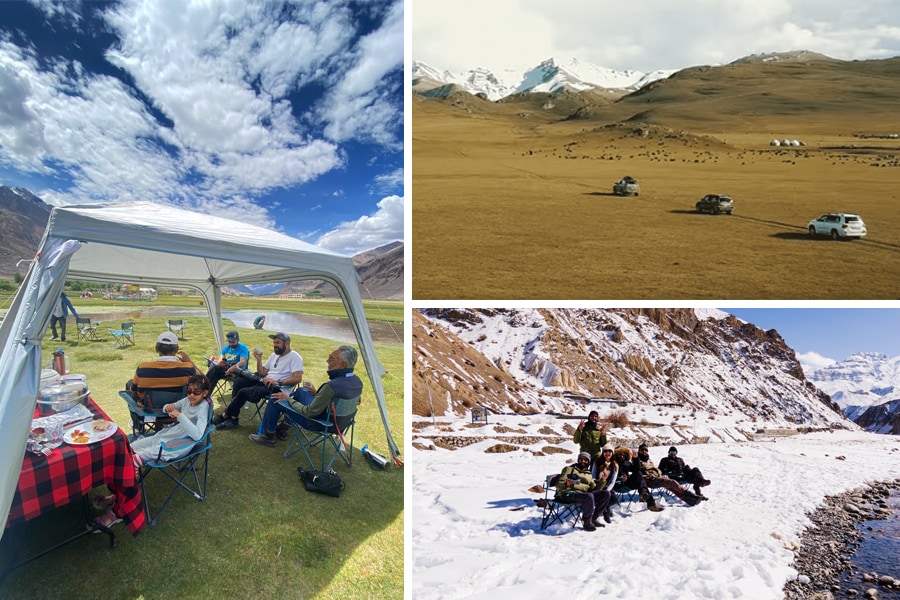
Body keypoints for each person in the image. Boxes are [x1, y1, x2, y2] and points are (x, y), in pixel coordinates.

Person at [249, 345, 363, 447]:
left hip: (318, 423)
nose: (327, 360)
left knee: (275, 399)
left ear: (343, 365)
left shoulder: (331, 386)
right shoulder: (357, 381)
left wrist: (287, 399)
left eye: (331, 358)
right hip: (341, 423)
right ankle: (283, 428)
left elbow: (308, 412)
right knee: (301, 391)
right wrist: (318, 394)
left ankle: (268, 436)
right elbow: (340, 400)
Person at [212, 332, 303, 430]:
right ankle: (233, 417)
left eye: (278, 343)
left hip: (277, 388)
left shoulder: (295, 357)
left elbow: (297, 378)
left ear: (287, 344)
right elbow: (262, 372)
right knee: (239, 382)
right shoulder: (274, 355)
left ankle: (225, 415)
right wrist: (259, 360)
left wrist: (279, 382)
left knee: (244, 392)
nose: (275, 345)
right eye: (274, 343)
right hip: (264, 381)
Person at [130, 374, 211, 465]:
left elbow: (197, 435)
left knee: (151, 451)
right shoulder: (186, 401)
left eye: (196, 392)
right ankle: (129, 457)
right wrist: (168, 407)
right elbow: (170, 407)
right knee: (134, 446)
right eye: (189, 391)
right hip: (173, 434)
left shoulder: (203, 408)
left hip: (183, 443)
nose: (191, 395)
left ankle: (132, 466)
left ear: (205, 393)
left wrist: (180, 416)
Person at [555, 452, 615, 532]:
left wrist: (603, 480)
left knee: (606, 493)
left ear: (588, 462)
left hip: (584, 495)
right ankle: (587, 522)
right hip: (569, 494)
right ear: (578, 460)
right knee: (589, 496)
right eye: (581, 459)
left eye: (585, 460)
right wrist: (566, 484)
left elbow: (595, 489)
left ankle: (593, 518)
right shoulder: (569, 469)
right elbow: (558, 484)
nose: (583, 461)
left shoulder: (588, 473)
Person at [636, 444, 702, 506]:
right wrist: (647, 476)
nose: (644, 451)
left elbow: (656, 469)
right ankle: (690, 494)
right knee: (672, 482)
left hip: (657, 477)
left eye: (646, 450)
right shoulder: (637, 460)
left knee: (672, 488)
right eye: (642, 450)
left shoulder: (648, 459)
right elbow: (637, 473)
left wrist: (659, 474)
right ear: (639, 450)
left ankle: (689, 500)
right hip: (649, 480)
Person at [614, 446, 664, 512]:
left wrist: (635, 458)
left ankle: (644, 494)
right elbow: (610, 477)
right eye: (619, 455)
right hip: (618, 484)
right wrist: (620, 479)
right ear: (616, 455)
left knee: (638, 473)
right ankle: (649, 502)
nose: (622, 456)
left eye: (624, 454)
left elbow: (637, 469)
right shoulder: (613, 464)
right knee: (642, 482)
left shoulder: (626, 463)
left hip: (627, 483)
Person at [591, 443, 619, 523]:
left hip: (607, 487)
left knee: (614, 498)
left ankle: (604, 508)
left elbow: (613, 480)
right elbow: (593, 476)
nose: (607, 453)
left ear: (612, 453)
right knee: (605, 496)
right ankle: (606, 512)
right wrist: (599, 483)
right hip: (597, 485)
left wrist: (607, 490)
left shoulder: (615, 465)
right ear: (603, 453)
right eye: (605, 451)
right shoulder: (597, 462)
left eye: (609, 451)